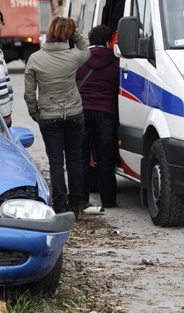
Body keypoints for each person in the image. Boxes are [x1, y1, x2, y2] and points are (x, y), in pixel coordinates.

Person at [24, 17, 90, 215]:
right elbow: (87, 49)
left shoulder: (35, 59)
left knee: (55, 163)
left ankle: (59, 205)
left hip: (49, 115)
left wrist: (36, 112)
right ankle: (76, 203)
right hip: (74, 114)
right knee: (75, 160)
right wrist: (76, 34)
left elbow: (29, 93)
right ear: (68, 35)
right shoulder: (73, 57)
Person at [77, 25, 119, 209]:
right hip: (106, 114)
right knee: (106, 159)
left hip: (82, 113)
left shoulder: (79, 59)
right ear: (109, 42)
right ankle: (108, 200)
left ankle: (82, 199)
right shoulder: (117, 62)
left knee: (82, 159)